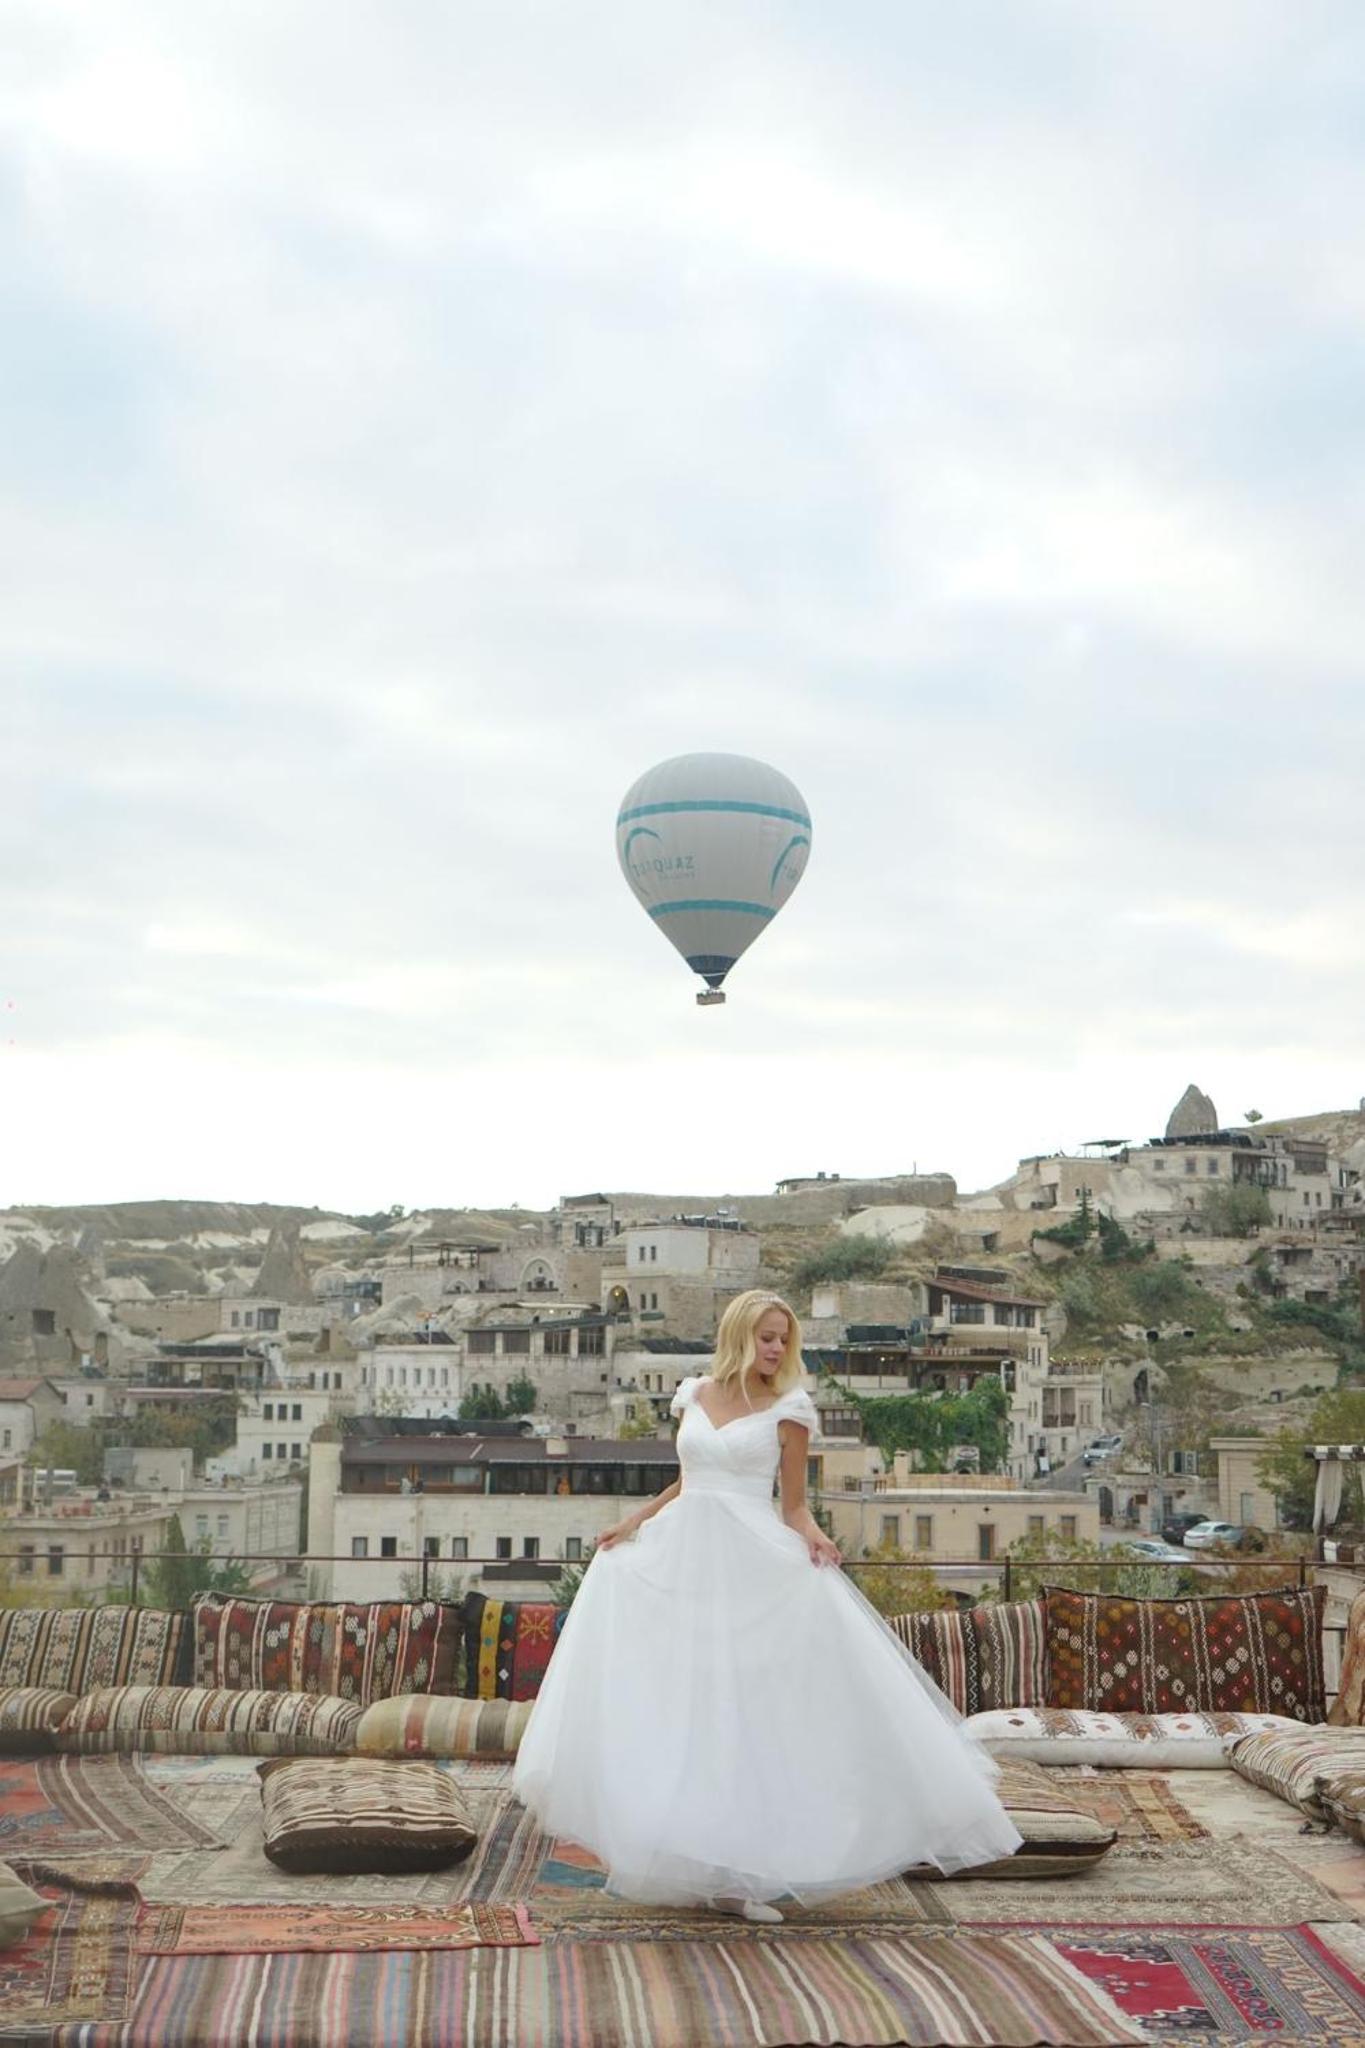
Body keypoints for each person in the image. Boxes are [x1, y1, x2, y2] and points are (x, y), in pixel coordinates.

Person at [513, 1287, 1022, 1921]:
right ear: (738, 1335)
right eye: (766, 1336)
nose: (776, 1347)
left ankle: (744, 1873)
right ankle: (694, 1855)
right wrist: (632, 1522)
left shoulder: (791, 1407)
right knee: (684, 1702)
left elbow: (794, 1504)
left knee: (744, 1709)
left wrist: (814, 1537)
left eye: (784, 1337)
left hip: (751, 1560)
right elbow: (685, 1481)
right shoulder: (693, 1395)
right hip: (683, 1556)